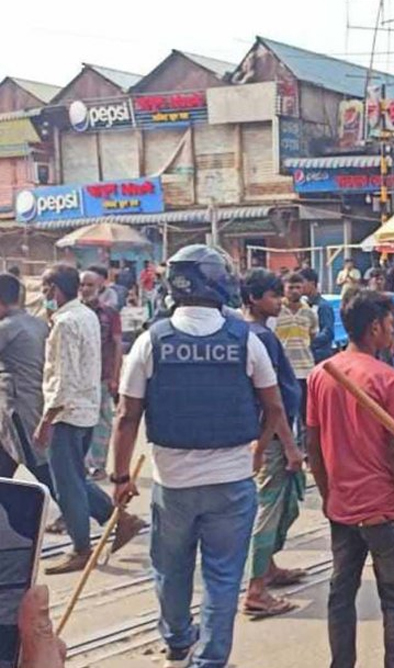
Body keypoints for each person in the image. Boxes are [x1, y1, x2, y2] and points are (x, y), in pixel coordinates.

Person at [109, 245, 290, 668]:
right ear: (218, 282)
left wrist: (120, 477)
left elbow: (126, 415)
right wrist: (259, 448)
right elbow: (275, 407)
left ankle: (176, 639)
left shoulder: (151, 341)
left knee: (171, 569)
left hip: (172, 484)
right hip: (232, 481)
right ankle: (210, 659)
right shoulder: (245, 339)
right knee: (223, 577)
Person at [307, 289, 394, 668]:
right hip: (382, 510)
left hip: (341, 508)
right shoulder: (389, 380)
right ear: (375, 328)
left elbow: (313, 442)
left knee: (341, 593)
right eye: (391, 325)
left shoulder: (321, 374)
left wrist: (329, 495)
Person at [37, 264, 142, 575]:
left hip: (66, 413)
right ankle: (119, 519)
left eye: (45, 288)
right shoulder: (84, 315)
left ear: (55, 289)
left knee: (66, 484)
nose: (43, 294)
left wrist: (46, 419)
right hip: (84, 409)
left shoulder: (67, 322)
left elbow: (64, 377)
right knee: (75, 478)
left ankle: (81, 547)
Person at [240, 269, 306, 619]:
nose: (279, 301)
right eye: (273, 295)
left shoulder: (259, 334)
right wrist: (285, 445)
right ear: (253, 298)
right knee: (273, 507)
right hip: (273, 436)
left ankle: (268, 567)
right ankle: (256, 588)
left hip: (272, 433)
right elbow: (272, 401)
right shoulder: (259, 337)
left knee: (285, 502)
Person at [0, 274, 53, 491]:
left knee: (46, 472)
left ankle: (107, 512)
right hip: (33, 404)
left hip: (19, 412)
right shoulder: (39, 324)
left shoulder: (6, 328)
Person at [79, 268, 122, 479]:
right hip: (79, 378)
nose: (86, 289)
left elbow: (117, 346)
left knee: (102, 421)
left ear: (100, 287)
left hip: (103, 376)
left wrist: (116, 377)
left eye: (90, 285)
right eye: (82, 285)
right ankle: (83, 463)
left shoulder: (110, 314)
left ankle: (98, 465)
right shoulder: (74, 313)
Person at [275, 273, 318, 439]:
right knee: (285, 414)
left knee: (306, 415)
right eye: (290, 287)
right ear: (284, 289)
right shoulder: (277, 311)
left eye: (298, 287)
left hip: (305, 369)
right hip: (284, 370)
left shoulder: (310, 313)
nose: (294, 291)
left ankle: (307, 453)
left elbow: (312, 336)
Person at [298, 268, 335, 364]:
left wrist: (308, 342)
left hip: (320, 357)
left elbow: (328, 332)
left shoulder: (323, 306)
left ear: (312, 283)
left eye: (303, 282)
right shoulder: (302, 305)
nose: (300, 287)